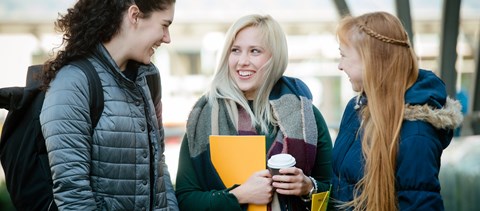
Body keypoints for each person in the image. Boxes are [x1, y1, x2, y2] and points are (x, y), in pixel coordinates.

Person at [175, 14, 333, 211]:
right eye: (235, 50)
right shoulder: (204, 116)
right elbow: (185, 200)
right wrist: (239, 195)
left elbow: (334, 193)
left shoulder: (306, 115)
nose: (242, 61)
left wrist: (308, 187)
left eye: (254, 51)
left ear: (275, 58)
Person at [39, 0, 179, 210]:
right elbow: (73, 194)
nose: (167, 38)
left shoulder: (149, 78)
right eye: (165, 25)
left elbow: (159, 167)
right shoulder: (73, 82)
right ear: (134, 16)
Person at [331, 11, 463, 211]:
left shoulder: (416, 133)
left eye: (343, 55)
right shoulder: (356, 108)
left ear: (372, 60)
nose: (340, 66)